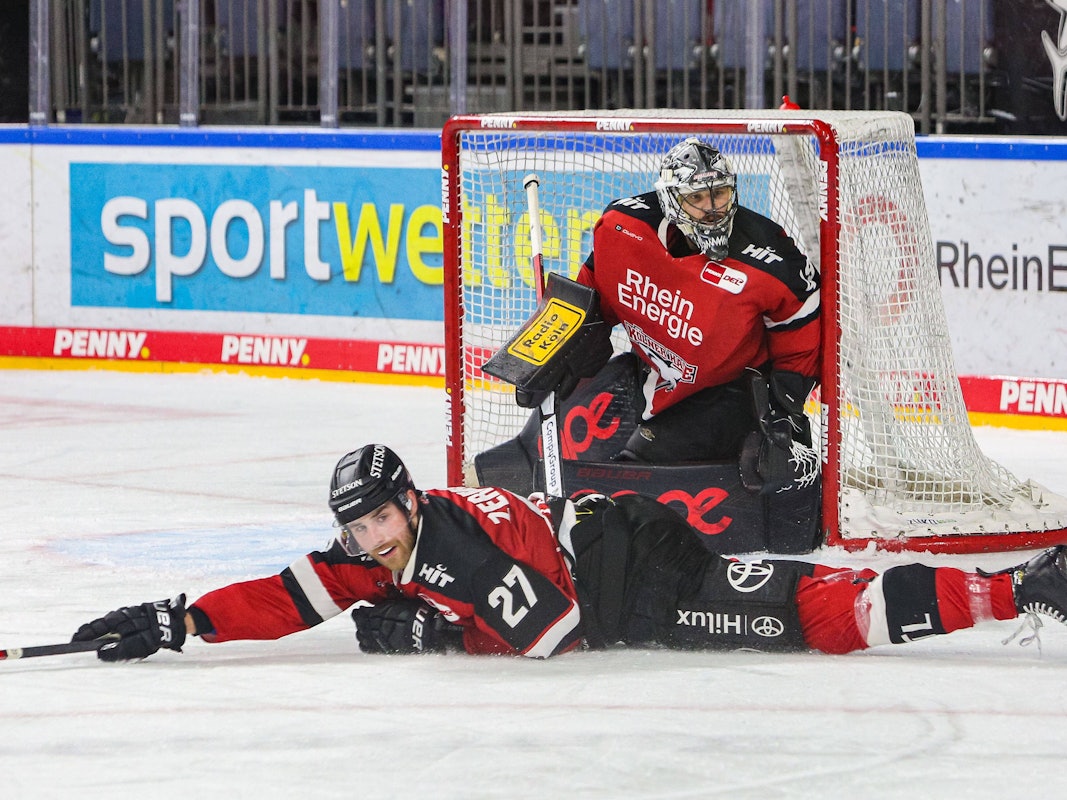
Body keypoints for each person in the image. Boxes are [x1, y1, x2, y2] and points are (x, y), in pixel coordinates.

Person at [73, 444, 1067, 662]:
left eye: (376, 520)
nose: (365, 540)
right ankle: (1015, 584)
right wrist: (182, 617)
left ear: (408, 503)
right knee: (813, 596)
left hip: (634, 579)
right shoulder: (387, 541)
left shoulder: (449, 546)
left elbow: (549, 625)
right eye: (357, 528)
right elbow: (295, 593)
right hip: (607, 540)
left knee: (814, 612)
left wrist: (434, 632)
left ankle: (1019, 585)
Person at [555, 136, 821, 465]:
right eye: (697, 197)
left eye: (719, 193)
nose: (712, 208)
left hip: (735, 394)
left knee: (635, 470)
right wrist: (568, 338)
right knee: (560, 434)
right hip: (653, 378)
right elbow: (595, 283)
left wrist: (783, 409)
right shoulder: (625, 227)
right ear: (671, 200)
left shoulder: (768, 256)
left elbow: (802, 332)